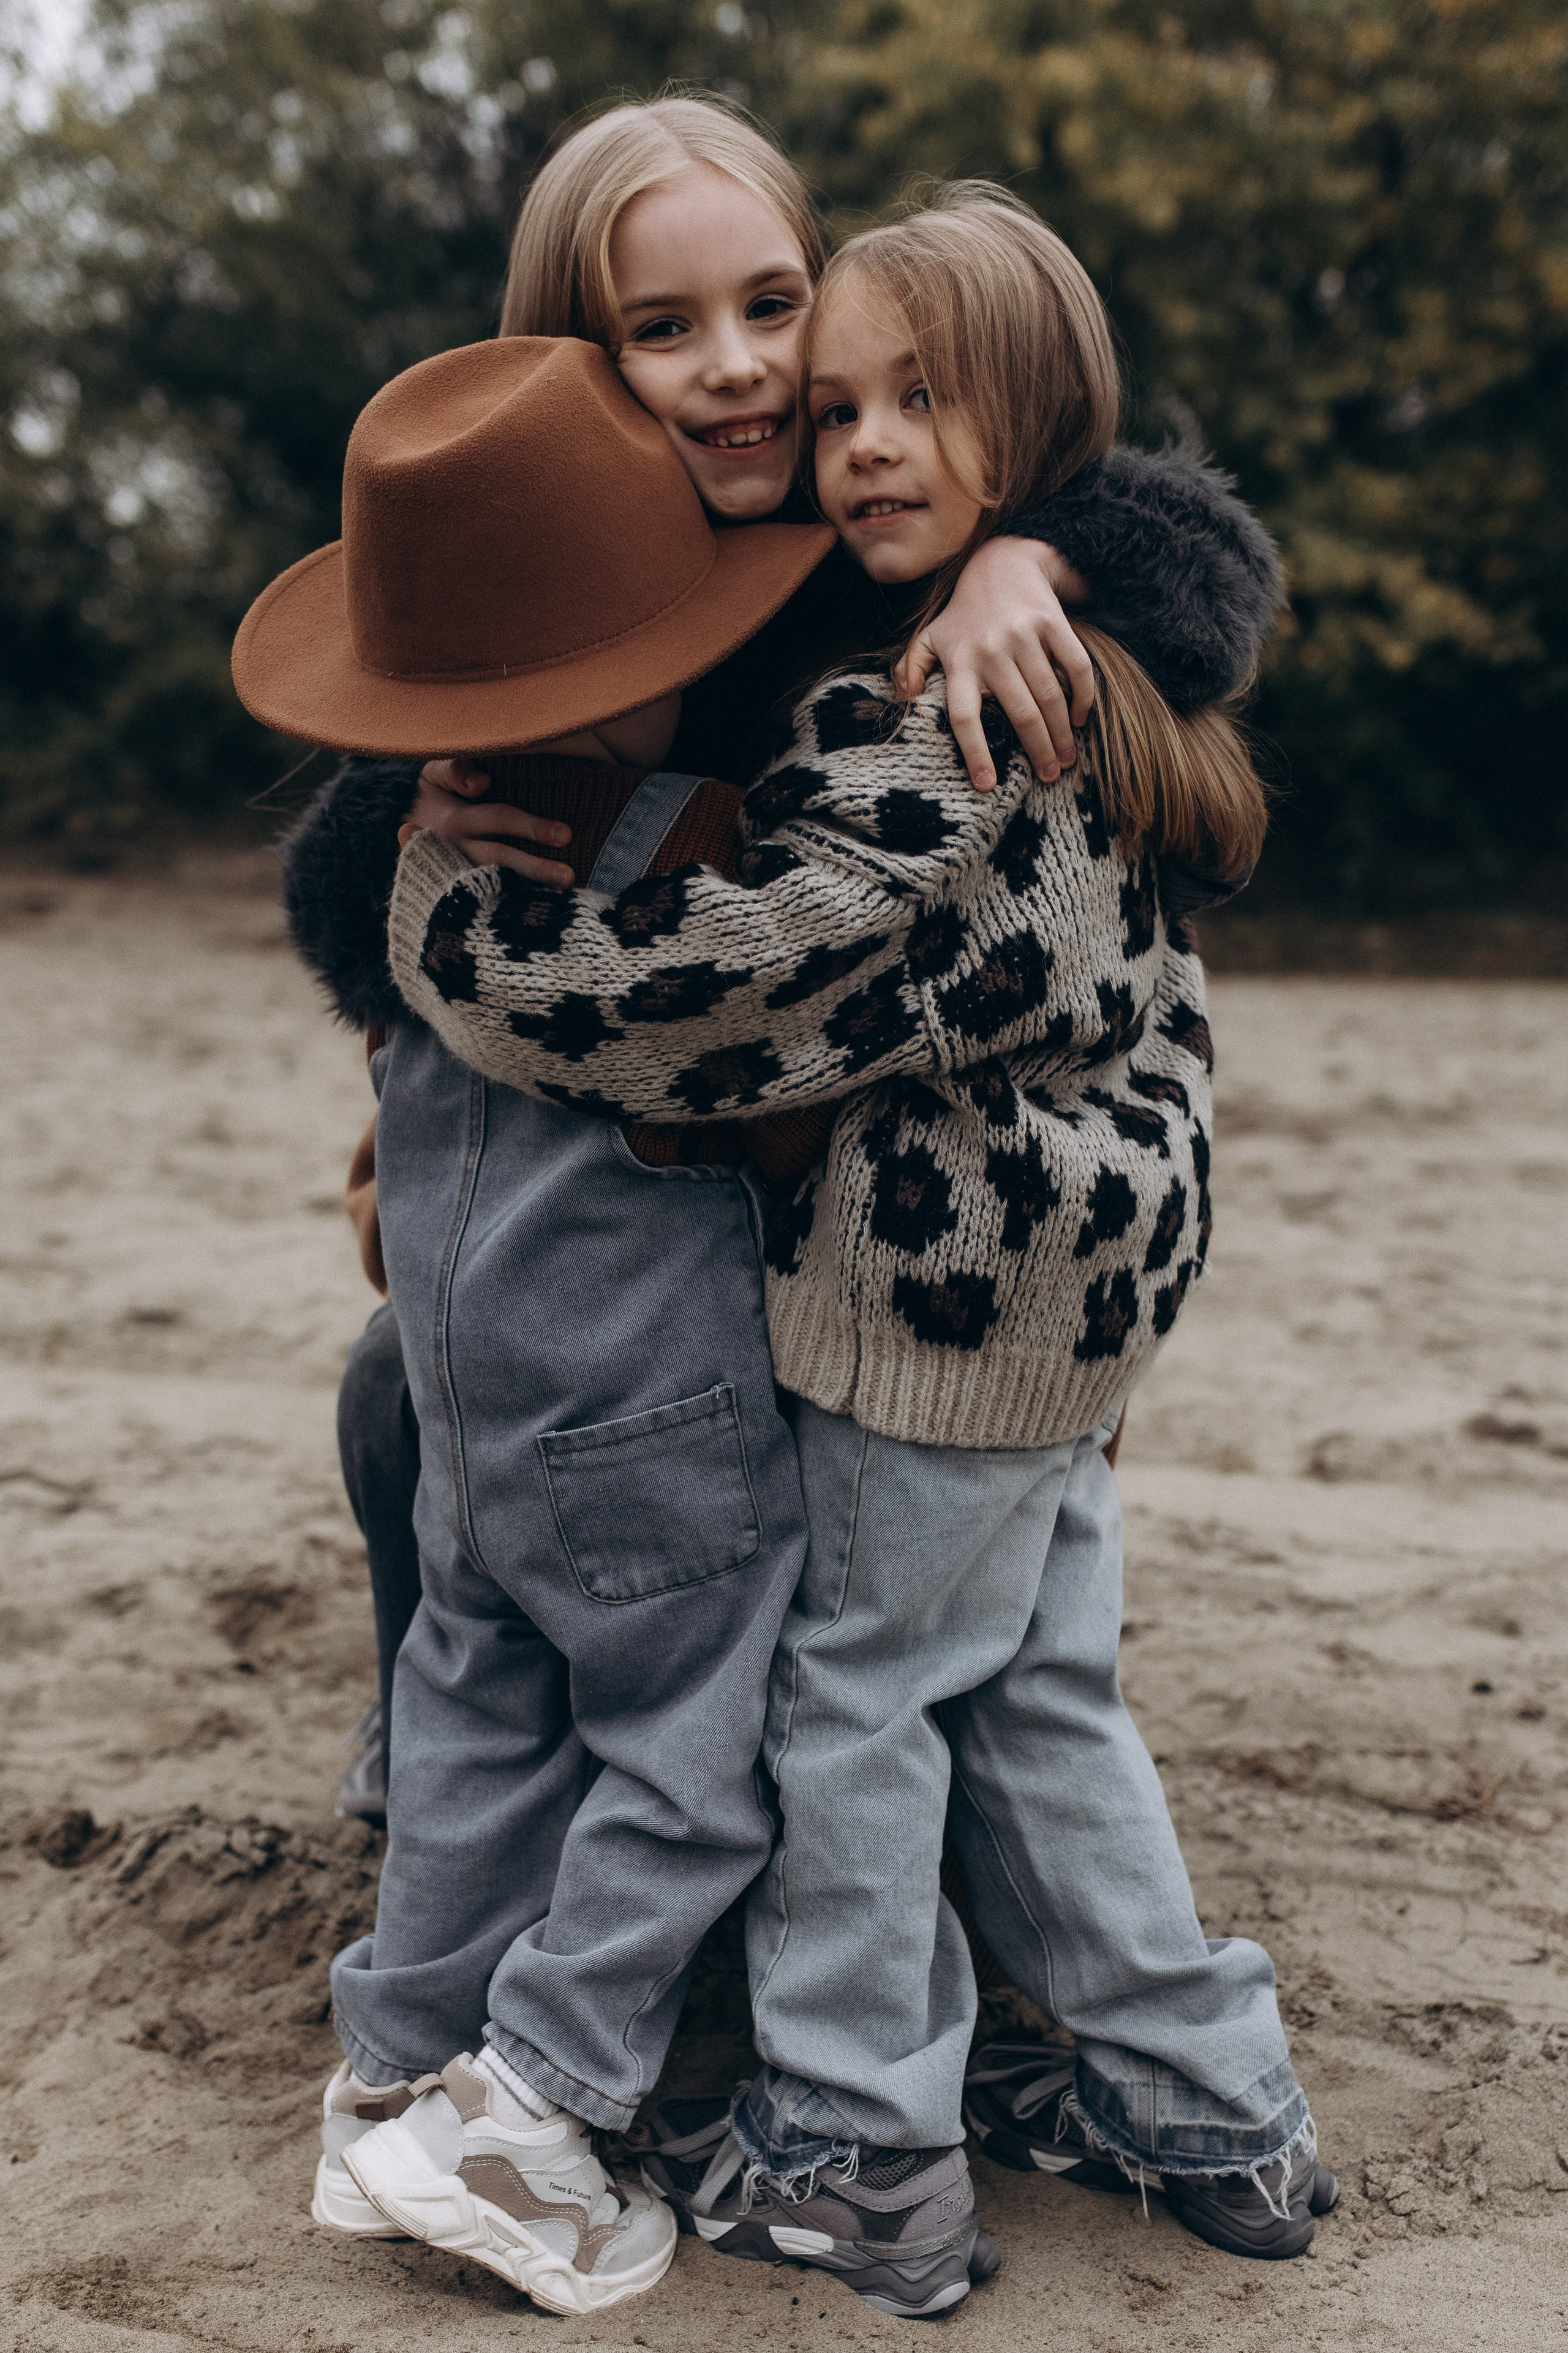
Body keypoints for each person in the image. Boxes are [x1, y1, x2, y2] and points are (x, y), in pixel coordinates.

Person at [371, 186, 1335, 2308]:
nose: (864, 442)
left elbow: (705, 1007)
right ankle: (1209, 2097)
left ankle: (853, 2138)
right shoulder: (1053, 665)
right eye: (843, 411)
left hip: (941, 1303)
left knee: (853, 1699)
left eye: (923, 401)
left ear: (1039, 438)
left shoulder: (948, 723)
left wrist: (445, 920)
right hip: (1084, 1287)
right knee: (1040, 1695)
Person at [289, 91, 1283, 1816]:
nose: (742, 366)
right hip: (636, 1206)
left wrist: (1034, 560)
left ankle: (901, 1763)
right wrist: (412, 819)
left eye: (773, 303)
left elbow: (1208, 564)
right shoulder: (529, 597)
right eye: (660, 329)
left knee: (865, 1560)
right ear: (570, 363)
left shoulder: (885, 544)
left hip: (895, 1226)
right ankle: (449, 1719)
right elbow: (343, 905)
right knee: (399, 1389)